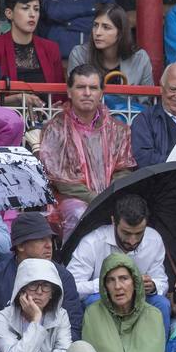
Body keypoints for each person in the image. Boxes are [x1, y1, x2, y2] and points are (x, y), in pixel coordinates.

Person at [38, 63, 136, 236]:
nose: (87, 93)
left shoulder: (117, 129)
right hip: (70, 200)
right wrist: (95, 199)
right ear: (69, 92)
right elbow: (60, 180)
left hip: (110, 196)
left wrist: (109, 196)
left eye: (93, 87)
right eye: (81, 87)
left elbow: (123, 169)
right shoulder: (55, 129)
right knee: (79, 213)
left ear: (101, 93)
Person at [0, 211, 82, 339]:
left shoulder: (64, 277)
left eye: (50, 238)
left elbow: (74, 329)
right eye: (41, 239)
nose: (49, 245)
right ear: (20, 245)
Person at [79, 254, 167, 352]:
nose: (118, 286)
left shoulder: (154, 315)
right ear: (104, 286)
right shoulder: (93, 313)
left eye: (123, 278)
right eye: (110, 280)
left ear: (135, 281)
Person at [0, 0, 63, 86]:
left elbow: (60, 93)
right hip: (7, 102)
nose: (32, 14)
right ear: (9, 13)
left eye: (36, 9)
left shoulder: (51, 48)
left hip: (46, 102)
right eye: (25, 8)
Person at [131, 63, 176, 168]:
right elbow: (143, 158)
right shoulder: (145, 120)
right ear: (162, 88)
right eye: (173, 89)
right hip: (157, 182)